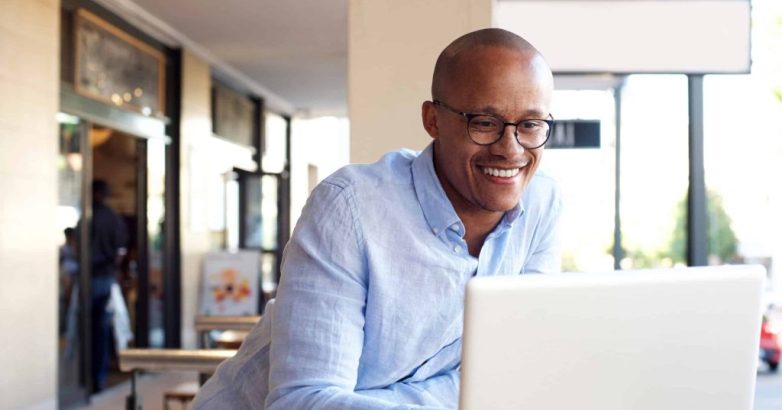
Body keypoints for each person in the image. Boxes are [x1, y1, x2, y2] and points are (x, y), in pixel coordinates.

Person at [193, 28, 561, 409]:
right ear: (432, 120)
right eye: (484, 122)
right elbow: (302, 400)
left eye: (531, 125)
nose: (510, 148)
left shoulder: (542, 204)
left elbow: (512, 365)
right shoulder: (350, 208)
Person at [81, 179, 128, 393]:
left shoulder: (88, 217)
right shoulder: (114, 219)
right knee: (102, 329)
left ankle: (86, 378)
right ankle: (99, 378)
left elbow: (77, 248)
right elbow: (120, 252)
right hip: (107, 279)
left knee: (87, 329)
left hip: (89, 278)